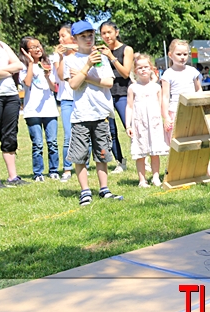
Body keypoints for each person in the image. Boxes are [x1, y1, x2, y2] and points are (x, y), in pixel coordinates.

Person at [63, 20, 122, 205]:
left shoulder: (102, 58)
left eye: (91, 35)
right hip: (81, 115)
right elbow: (73, 84)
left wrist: (85, 76)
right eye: (83, 36)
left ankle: (104, 189)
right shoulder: (70, 60)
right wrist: (87, 65)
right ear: (75, 39)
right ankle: (85, 190)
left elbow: (108, 82)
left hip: (101, 113)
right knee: (80, 155)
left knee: (102, 153)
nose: (88, 39)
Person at [161, 39, 210, 178]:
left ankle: (209, 171)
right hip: (176, 111)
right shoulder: (168, 74)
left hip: (194, 110)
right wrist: (166, 117)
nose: (182, 57)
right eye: (179, 54)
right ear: (170, 55)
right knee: (177, 143)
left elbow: (199, 90)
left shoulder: (192, 71)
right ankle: (174, 173)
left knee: (199, 140)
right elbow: (165, 97)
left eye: (185, 54)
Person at [0, 13, 28, 188]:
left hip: (10, 95)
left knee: (10, 135)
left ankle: (13, 176)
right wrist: (7, 70)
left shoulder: (2, 46)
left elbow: (19, 65)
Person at [19, 37, 60, 181]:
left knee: (52, 142)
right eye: (33, 47)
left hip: (50, 110)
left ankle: (54, 170)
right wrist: (31, 63)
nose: (38, 49)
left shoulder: (48, 64)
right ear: (26, 51)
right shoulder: (23, 66)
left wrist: (48, 77)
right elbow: (27, 82)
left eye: (39, 45)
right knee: (37, 143)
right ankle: (38, 173)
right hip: (32, 111)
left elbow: (54, 88)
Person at [125, 53, 168, 187]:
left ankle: (156, 177)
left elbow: (161, 105)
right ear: (135, 71)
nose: (143, 70)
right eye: (140, 68)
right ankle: (142, 180)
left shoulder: (156, 87)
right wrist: (128, 125)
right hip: (139, 124)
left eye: (146, 67)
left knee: (155, 153)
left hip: (154, 124)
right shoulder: (133, 88)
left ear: (151, 68)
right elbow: (129, 106)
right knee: (140, 153)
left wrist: (165, 119)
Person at [99, 21, 133, 174]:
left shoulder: (126, 49)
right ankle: (120, 161)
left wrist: (111, 56)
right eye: (103, 33)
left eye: (109, 32)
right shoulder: (101, 52)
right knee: (110, 131)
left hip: (123, 93)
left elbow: (125, 73)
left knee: (130, 126)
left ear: (116, 32)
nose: (107, 36)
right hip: (106, 94)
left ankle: (143, 158)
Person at [53, 24, 79, 181]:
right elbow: (61, 76)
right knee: (69, 135)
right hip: (67, 100)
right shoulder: (57, 56)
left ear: (72, 37)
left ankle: (83, 165)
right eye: (59, 36)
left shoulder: (83, 53)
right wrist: (61, 57)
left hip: (82, 98)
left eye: (63, 36)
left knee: (85, 134)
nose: (60, 39)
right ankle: (67, 169)